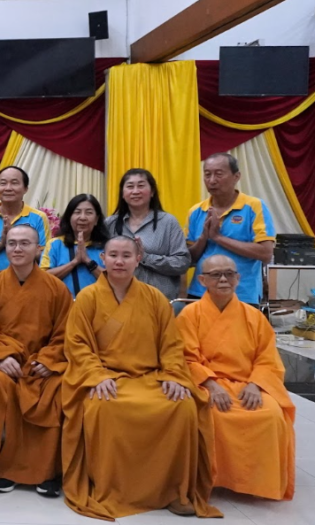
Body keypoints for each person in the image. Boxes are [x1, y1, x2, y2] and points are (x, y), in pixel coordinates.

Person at [62, 236, 221, 520]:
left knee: (182, 406)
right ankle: (112, 489)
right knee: (103, 407)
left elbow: (171, 344)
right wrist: (96, 375)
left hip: (151, 377)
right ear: (103, 259)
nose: (119, 261)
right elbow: (77, 344)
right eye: (113, 255)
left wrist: (173, 374)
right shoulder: (87, 298)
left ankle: (173, 491)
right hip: (107, 377)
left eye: (126, 255)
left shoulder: (155, 297)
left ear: (138, 259)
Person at [178, 255, 295, 501]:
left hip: (248, 383)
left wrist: (256, 384)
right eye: (215, 275)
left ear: (238, 278)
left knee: (271, 414)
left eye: (229, 274)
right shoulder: (190, 315)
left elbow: (267, 357)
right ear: (202, 281)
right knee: (212, 414)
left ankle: (257, 482)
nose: (223, 279)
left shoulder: (254, 316)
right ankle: (216, 479)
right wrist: (210, 384)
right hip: (208, 383)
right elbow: (185, 358)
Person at [0, 225, 71, 498]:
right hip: (5, 363)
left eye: (25, 243)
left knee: (56, 390)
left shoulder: (56, 289)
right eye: (12, 243)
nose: (17, 249)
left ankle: (47, 472)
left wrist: (49, 360)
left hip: (41, 363)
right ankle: (5, 468)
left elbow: (66, 333)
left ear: (38, 248)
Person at [186, 153, 275, 306]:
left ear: (236, 176)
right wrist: (204, 237)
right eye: (207, 174)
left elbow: (265, 254)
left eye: (219, 174)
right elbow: (189, 259)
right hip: (200, 292)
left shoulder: (254, 207)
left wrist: (218, 237)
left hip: (242, 293)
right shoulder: (196, 211)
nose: (212, 180)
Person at [105, 169, 190, 301]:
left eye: (141, 186)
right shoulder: (110, 224)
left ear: (152, 192)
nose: (135, 191)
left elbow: (182, 263)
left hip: (160, 301)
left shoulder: (168, 222)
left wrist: (145, 257)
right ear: (122, 193)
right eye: (130, 186)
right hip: (118, 301)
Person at [0, 166, 50, 278]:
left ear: (25, 188)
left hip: (30, 284)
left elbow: (45, 259)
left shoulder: (38, 218)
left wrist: (21, 243)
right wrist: (0, 244)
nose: (8, 188)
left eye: (14, 183)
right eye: (3, 183)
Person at [41, 194, 109, 297]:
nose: (83, 217)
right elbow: (42, 278)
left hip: (98, 304)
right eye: (77, 212)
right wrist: (74, 262)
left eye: (89, 213)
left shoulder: (107, 246)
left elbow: (115, 280)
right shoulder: (55, 244)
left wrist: (88, 261)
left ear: (96, 219)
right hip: (63, 305)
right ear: (69, 217)